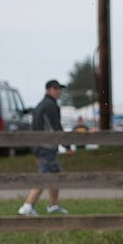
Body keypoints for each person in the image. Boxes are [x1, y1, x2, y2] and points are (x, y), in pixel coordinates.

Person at [18, 80, 74, 216]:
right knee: (44, 177)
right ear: (48, 90)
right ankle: (27, 206)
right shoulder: (50, 105)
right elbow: (56, 127)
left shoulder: (42, 105)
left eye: (59, 88)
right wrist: (67, 146)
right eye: (55, 88)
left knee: (55, 174)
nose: (58, 91)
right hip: (45, 147)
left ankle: (53, 205)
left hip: (41, 147)